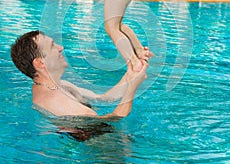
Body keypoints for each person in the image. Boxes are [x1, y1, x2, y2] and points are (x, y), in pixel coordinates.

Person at [10, 30, 148, 120]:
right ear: (40, 63)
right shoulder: (54, 100)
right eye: (52, 46)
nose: (61, 47)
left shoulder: (59, 85)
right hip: (99, 150)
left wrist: (131, 74)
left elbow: (104, 99)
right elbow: (113, 120)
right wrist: (132, 89)